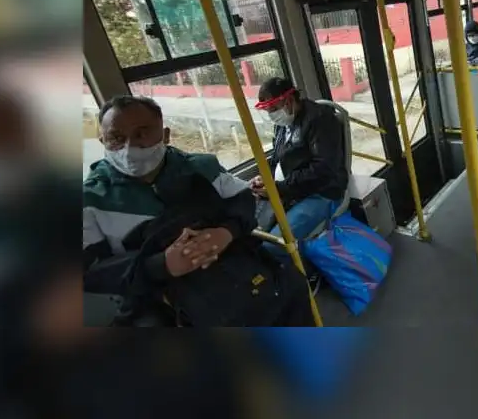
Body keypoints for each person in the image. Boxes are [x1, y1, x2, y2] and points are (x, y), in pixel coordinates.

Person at [82, 95, 314, 326]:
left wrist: (226, 232)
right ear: (103, 141)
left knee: (291, 284)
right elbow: (89, 273)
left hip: (227, 261)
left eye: (141, 133)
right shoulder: (92, 201)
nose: (129, 147)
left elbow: (243, 199)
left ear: (165, 135)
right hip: (153, 292)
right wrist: (161, 264)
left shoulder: (201, 168)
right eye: (117, 138)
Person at [251, 77, 349, 244]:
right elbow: (278, 157)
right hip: (291, 189)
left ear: (288, 101)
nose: (272, 116)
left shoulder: (320, 120)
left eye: (273, 109)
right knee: (252, 233)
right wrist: (266, 178)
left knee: (273, 244)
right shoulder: (284, 123)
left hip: (321, 192)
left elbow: (323, 169)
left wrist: (279, 188)